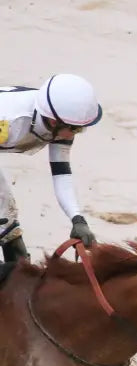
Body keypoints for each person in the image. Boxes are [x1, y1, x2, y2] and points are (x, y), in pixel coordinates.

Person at [0, 73, 101, 263]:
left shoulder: (56, 122)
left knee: (6, 221)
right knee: (4, 212)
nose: (77, 134)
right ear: (54, 122)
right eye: (77, 129)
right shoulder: (11, 121)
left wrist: (77, 219)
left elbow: (61, 173)